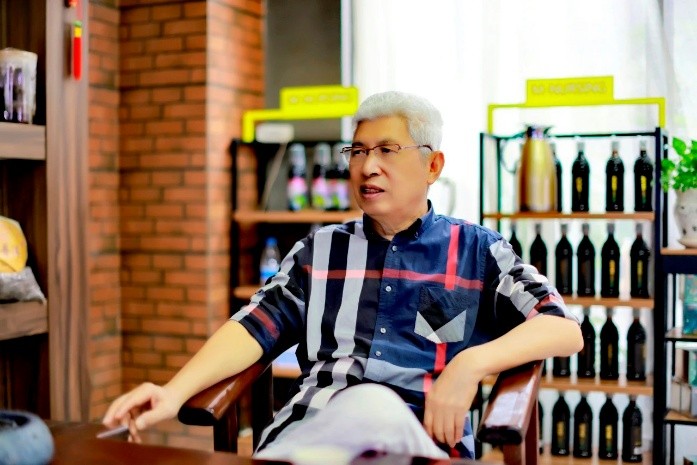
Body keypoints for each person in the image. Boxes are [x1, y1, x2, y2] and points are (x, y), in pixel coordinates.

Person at [103, 90, 583, 460]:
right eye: (357, 151)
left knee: (375, 406)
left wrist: (470, 364)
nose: (367, 167)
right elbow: (254, 326)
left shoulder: (477, 250)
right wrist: (172, 392)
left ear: (433, 165)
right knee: (363, 407)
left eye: (387, 150)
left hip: (420, 443)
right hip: (315, 429)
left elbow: (562, 328)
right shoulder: (321, 250)